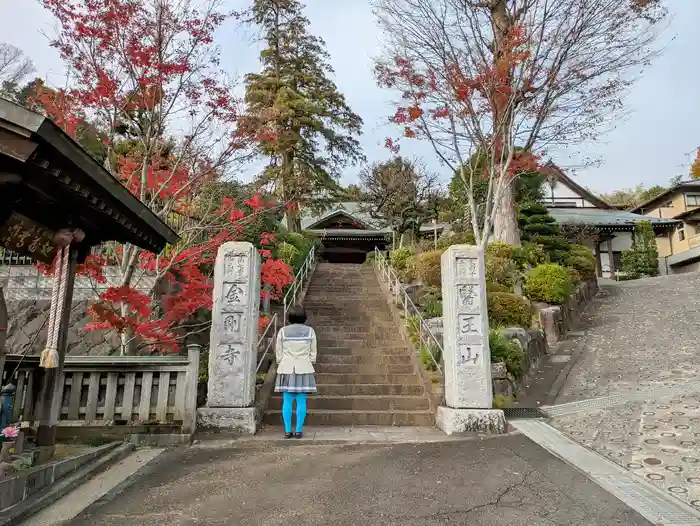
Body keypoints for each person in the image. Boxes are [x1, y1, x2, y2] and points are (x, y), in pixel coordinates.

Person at [274, 305, 317, 438]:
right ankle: (298, 430)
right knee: (301, 400)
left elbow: (279, 352)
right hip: (304, 368)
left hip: (286, 368)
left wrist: (281, 361)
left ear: (290, 317)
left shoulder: (283, 331)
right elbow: (313, 353)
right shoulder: (310, 331)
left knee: (287, 400)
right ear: (304, 317)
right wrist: (309, 361)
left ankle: (287, 431)